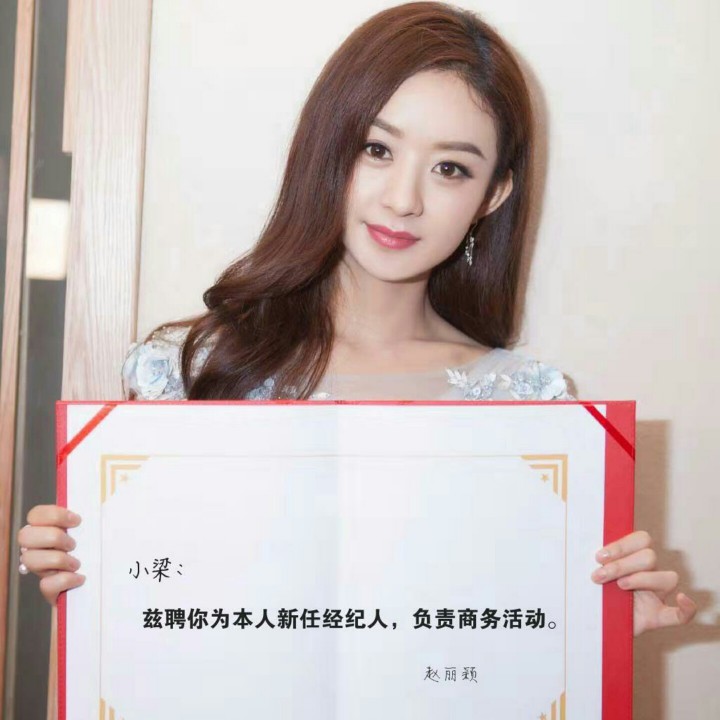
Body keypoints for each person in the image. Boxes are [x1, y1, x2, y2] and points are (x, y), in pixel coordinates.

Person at [18, 1, 695, 636]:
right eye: (377, 149)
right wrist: (87, 580)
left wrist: (598, 629)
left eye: (451, 169)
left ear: (493, 195)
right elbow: (153, 619)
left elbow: (501, 649)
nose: (403, 199)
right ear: (329, 148)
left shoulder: (530, 408)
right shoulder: (187, 371)